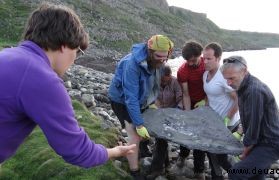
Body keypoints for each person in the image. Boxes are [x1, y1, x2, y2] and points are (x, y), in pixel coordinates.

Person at [0, 3, 135, 168]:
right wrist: (115, 152)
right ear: (64, 45)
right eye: (78, 51)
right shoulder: (43, 80)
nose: (74, 59)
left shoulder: (8, 54)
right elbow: (79, 151)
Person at [108, 35, 174, 179]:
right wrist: (138, 124)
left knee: (145, 129)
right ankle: (134, 171)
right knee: (134, 135)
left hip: (141, 100)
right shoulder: (131, 64)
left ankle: (143, 152)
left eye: (165, 57)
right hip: (122, 100)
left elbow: (153, 84)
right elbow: (130, 98)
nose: (162, 60)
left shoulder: (158, 61)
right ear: (150, 51)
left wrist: (151, 103)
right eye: (159, 56)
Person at [220, 56, 279, 179]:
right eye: (226, 79)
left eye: (231, 78)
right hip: (260, 141)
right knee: (255, 176)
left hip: (271, 144)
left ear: (244, 71)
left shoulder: (254, 91)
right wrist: (241, 131)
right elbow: (248, 118)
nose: (228, 83)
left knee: (236, 173)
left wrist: (245, 151)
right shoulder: (242, 86)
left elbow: (253, 126)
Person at [202, 43, 241, 179]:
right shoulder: (205, 74)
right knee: (211, 152)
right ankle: (216, 177)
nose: (205, 62)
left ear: (218, 58)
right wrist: (205, 110)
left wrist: (227, 119)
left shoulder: (224, 76)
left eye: (209, 59)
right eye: (204, 58)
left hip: (227, 124)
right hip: (213, 123)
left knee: (222, 157)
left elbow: (237, 99)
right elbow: (209, 96)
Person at [176, 41, 206, 179]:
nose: (191, 63)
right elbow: (186, 94)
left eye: (194, 60)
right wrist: (188, 114)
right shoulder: (183, 70)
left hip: (206, 102)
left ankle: (199, 169)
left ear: (200, 55)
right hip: (191, 101)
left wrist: (205, 102)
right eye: (188, 61)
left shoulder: (207, 64)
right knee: (186, 130)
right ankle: (183, 155)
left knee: (200, 136)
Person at [147, 65, 182, 179]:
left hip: (171, 115)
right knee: (160, 140)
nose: (163, 81)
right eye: (161, 79)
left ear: (169, 76)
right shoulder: (154, 81)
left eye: (165, 79)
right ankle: (165, 165)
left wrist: (176, 112)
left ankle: (156, 168)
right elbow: (150, 96)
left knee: (161, 140)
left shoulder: (175, 83)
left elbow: (180, 99)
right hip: (157, 113)